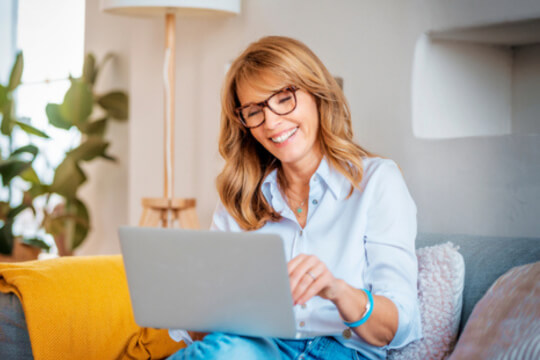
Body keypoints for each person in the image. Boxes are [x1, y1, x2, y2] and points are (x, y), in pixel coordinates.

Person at [168, 36, 422, 360]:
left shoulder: (376, 182)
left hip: (342, 351)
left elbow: (397, 327)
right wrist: (201, 310)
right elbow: (202, 335)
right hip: (255, 347)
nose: (272, 123)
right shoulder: (242, 196)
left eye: (283, 98)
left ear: (316, 94)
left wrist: (338, 291)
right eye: (254, 110)